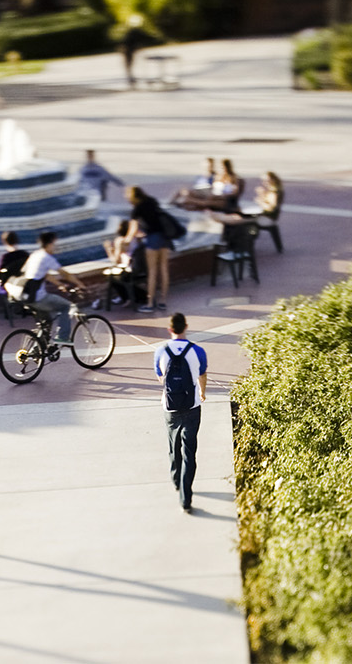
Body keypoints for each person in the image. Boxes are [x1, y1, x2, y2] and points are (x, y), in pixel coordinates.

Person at [154, 313, 209, 513]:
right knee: (189, 453)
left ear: (170, 329)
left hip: (170, 407)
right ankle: (186, 498)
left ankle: (175, 479)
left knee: (173, 446)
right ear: (186, 327)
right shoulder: (197, 351)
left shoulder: (161, 351)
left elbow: (161, 378)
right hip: (192, 407)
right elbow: (202, 374)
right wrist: (202, 392)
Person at [20, 231, 84, 343]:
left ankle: (38, 348)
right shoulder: (46, 257)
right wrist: (80, 284)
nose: (55, 247)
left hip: (26, 296)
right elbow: (65, 274)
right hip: (38, 297)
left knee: (46, 321)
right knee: (67, 307)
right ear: (49, 244)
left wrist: (60, 285)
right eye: (54, 244)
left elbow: (45, 275)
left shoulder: (35, 255)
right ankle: (63, 337)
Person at [127, 186, 175, 313]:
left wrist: (126, 241)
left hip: (152, 239)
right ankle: (163, 301)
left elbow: (133, 229)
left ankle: (149, 304)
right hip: (164, 237)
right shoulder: (152, 201)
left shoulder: (137, 208)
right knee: (164, 269)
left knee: (152, 271)